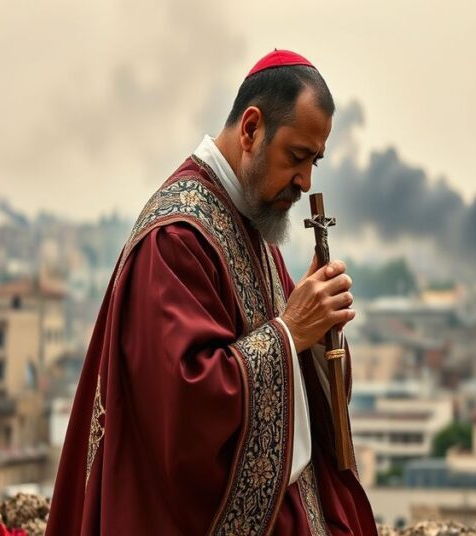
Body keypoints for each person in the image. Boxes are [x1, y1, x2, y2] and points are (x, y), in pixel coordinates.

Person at [46, 49, 377, 535]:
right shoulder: (176, 238)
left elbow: (300, 362)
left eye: (315, 162)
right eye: (297, 157)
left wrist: (319, 328)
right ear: (251, 129)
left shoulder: (252, 224)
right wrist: (291, 332)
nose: (305, 182)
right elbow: (183, 407)